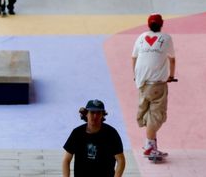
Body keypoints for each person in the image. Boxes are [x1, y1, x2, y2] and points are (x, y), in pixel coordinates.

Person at [132, 14, 176, 159]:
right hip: (157, 84)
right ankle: (150, 146)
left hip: (142, 83)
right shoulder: (166, 38)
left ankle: (150, 144)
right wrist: (171, 76)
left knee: (149, 113)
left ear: (148, 25)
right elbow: (172, 59)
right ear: (161, 24)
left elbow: (134, 57)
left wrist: (135, 76)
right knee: (157, 115)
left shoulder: (141, 37)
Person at [62, 99, 126, 177]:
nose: (95, 116)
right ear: (86, 114)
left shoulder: (111, 133)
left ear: (103, 115)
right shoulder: (77, 133)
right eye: (92, 112)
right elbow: (66, 160)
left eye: (99, 113)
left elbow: (121, 160)